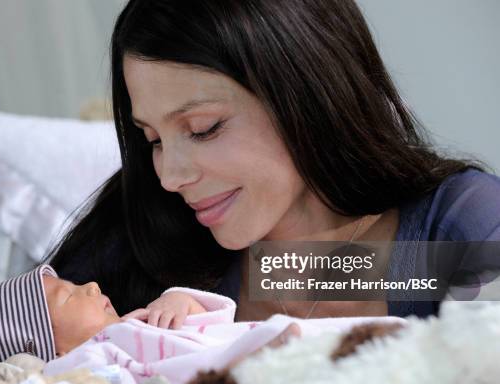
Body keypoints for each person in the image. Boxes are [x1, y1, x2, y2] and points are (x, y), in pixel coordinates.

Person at [46, 0, 500, 321]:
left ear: (308, 95)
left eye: (204, 127)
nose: (170, 176)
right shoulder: (141, 229)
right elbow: (0, 356)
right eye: (152, 139)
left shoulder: (459, 225)